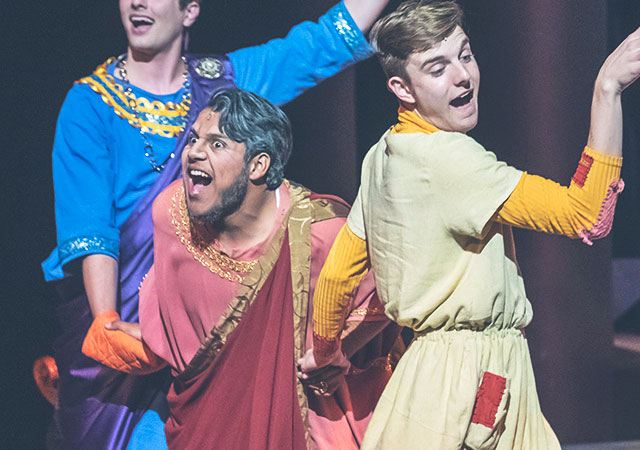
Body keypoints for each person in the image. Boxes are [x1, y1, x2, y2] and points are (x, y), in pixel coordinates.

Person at [41, 0, 390, 447]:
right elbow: (92, 230)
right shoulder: (89, 103)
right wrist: (106, 319)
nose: (138, 3)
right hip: (126, 315)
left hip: (210, 314)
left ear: (189, 11)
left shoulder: (219, 84)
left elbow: (316, 46)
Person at [301, 1, 640, 448]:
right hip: (470, 380)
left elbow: (341, 272)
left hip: (441, 376)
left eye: (465, 54)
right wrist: (607, 87)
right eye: (437, 67)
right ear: (402, 88)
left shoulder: (384, 156)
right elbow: (588, 214)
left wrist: (327, 354)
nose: (462, 75)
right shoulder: (451, 160)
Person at [83, 88, 398, 449]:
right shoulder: (172, 215)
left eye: (217, 144)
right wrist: (150, 339)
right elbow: (187, 330)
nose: (194, 152)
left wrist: (335, 353)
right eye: (194, 139)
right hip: (199, 417)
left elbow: (388, 299)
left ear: (258, 165)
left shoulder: (321, 233)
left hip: (299, 418)